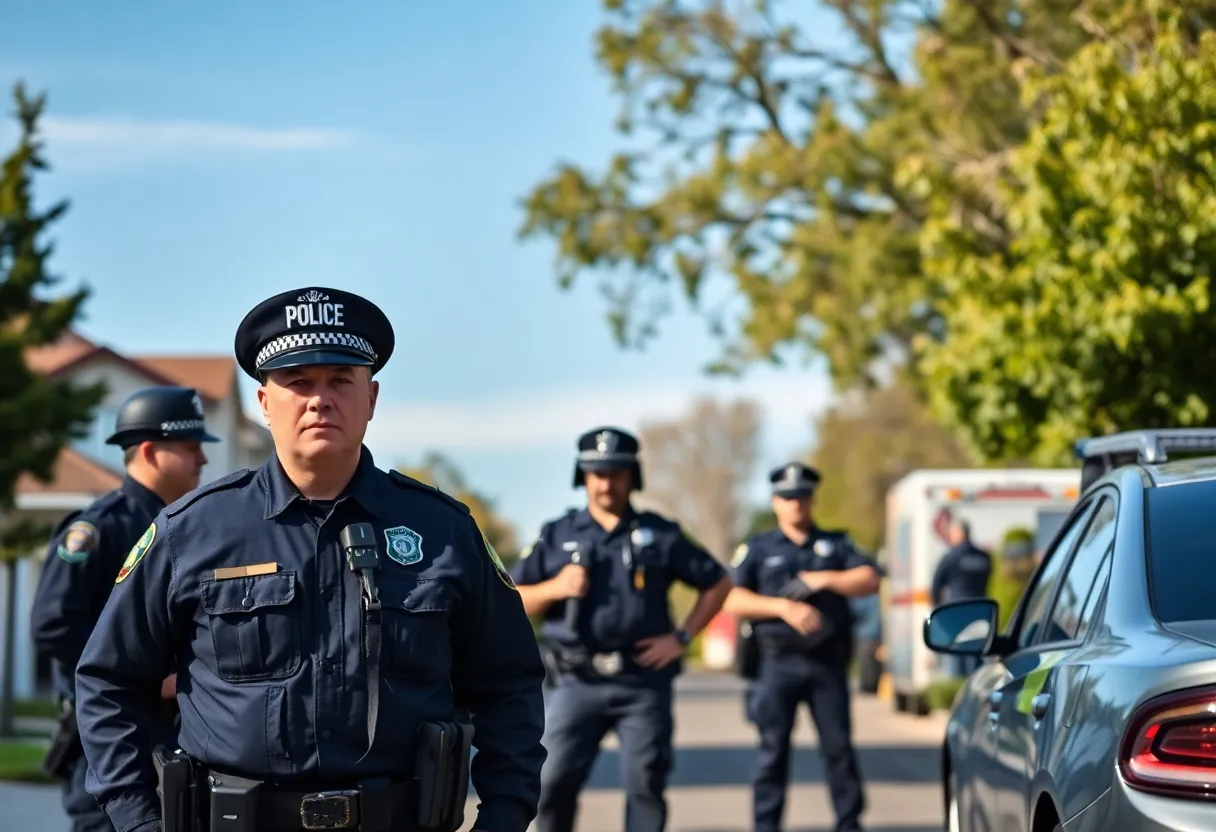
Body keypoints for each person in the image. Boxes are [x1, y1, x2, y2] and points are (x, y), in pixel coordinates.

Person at [73, 286, 546, 832]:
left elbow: (509, 683)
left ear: (370, 400)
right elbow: (107, 680)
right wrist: (137, 821)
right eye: (298, 382)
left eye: (341, 381)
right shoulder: (193, 531)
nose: (320, 399)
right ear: (264, 404)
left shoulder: (443, 532)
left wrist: (504, 816)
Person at [510, 426, 733, 832]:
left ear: (632, 476)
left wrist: (682, 638)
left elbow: (718, 582)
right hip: (575, 682)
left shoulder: (660, 533)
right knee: (552, 783)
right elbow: (510, 599)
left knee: (645, 787)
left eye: (615, 472)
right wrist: (555, 587)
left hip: (642, 684)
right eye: (597, 473)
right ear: (583, 477)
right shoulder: (557, 534)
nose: (606, 483)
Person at [30, 385, 219, 832]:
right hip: (109, 741)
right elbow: (54, 625)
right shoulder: (99, 528)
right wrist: (156, 681)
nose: (203, 460)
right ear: (151, 452)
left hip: (168, 739)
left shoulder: (182, 527)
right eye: (191, 448)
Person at [724, 462, 882, 832]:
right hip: (776, 664)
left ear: (812, 501)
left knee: (838, 751)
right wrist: (782, 607)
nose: (795, 504)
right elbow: (731, 599)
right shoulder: (758, 548)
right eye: (787, 498)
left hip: (826, 662)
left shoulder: (836, 544)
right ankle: (766, 826)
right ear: (776, 502)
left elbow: (870, 578)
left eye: (802, 497)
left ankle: (849, 824)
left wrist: (824, 578)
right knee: (772, 753)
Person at [930, 517, 992, 677]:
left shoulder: (951, 557)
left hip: (956, 613)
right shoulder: (983, 557)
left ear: (957, 533)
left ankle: (958, 690)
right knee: (976, 656)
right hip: (979, 613)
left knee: (957, 657)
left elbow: (936, 586)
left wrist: (938, 612)